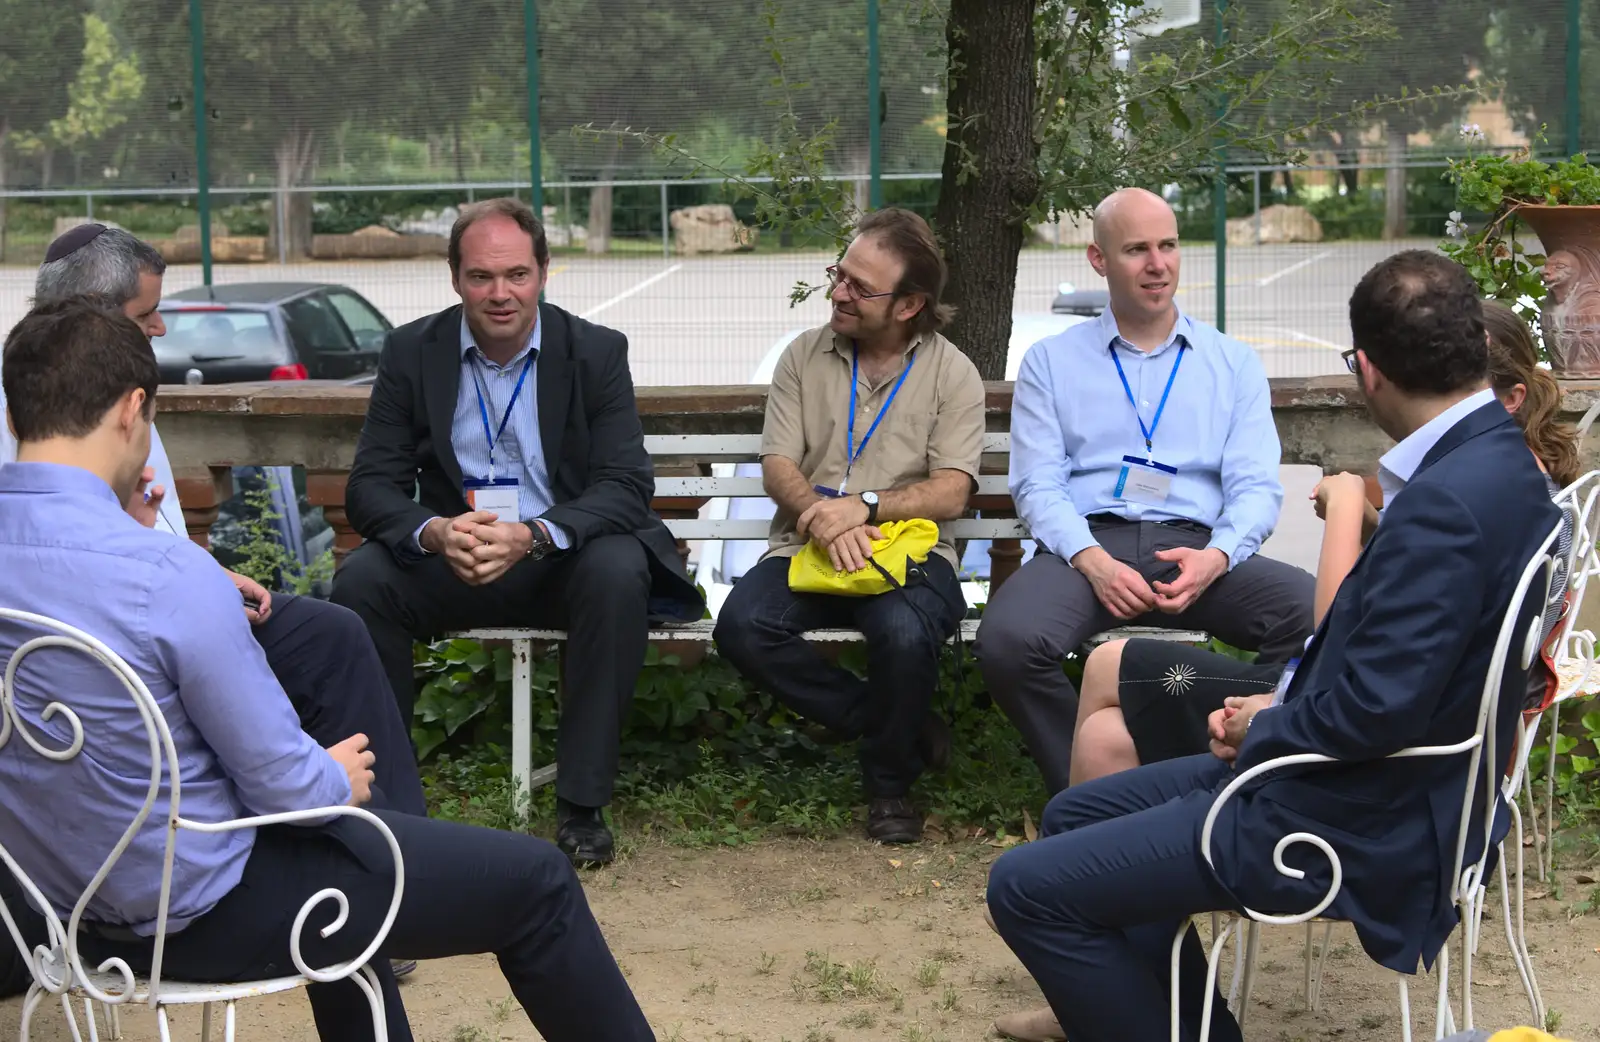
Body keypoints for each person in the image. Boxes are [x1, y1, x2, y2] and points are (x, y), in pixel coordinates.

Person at [0, 299, 655, 1042]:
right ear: (132, 409)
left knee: (343, 866)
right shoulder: (165, 575)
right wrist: (333, 778)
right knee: (536, 882)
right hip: (190, 913)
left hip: (43, 912)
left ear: (19, 417)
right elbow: (288, 790)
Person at [984, 250, 1563, 1042]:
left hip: (1350, 815)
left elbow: (1377, 711)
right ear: (1470, 348)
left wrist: (1265, 728)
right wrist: (1276, 703)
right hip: (1389, 785)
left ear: (1367, 370)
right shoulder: (1500, 465)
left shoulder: (1446, 504)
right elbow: (1391, 680)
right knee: (1076, 814)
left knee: (1023, 887)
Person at [331, 197, 703, 867]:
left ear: (544, 273)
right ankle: (387, 806)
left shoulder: (594, 352)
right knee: (361, 580)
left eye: (517, 275)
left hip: (559, 558)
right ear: (455, 279)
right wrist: (437, 531)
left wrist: (533, 535)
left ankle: (583, 806)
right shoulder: (413, 351)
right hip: (458, 557)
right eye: (481, 277)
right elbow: (370, 488)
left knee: (619, 568)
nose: (500, 294)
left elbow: (625, 485)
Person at [974, 187, 1315, 794]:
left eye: (1169, 245)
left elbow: (1255, 487)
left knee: (1317, 617)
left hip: (1196, 550)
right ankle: (1088, 793)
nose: (1158, 264)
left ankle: (1232, 770)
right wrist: (1094, 563)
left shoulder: (1230, 363)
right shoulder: (1052, 362)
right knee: (1007, 641)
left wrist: (1217, 558)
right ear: (1099, 260)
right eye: (1136, 249)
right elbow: (1037, 484)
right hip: (1088, 550)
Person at [713, 208, 984, 844]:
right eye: (840, 275)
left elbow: (952, 490)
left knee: (903, 631)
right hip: (805, 546)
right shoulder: (803, 357)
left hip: (909, 552)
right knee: (743, 627)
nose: (839, 292)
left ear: (911, 303)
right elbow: (778, 461)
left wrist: (861, 508)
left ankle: (889, 788)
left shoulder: (953, 373)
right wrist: (819, 518)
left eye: (861, 287)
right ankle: (900, 726)